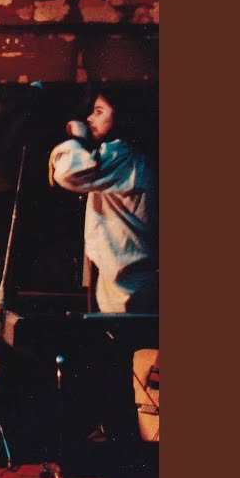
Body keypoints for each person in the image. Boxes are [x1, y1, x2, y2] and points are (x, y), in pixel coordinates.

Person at [46, 87, 157, 314]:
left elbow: (68, 172)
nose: (89, 118)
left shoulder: (122, 155)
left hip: (128, 286)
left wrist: (77, 138)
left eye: (99, 112)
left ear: (120, 116)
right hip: (123, 280)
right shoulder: (123, 156)